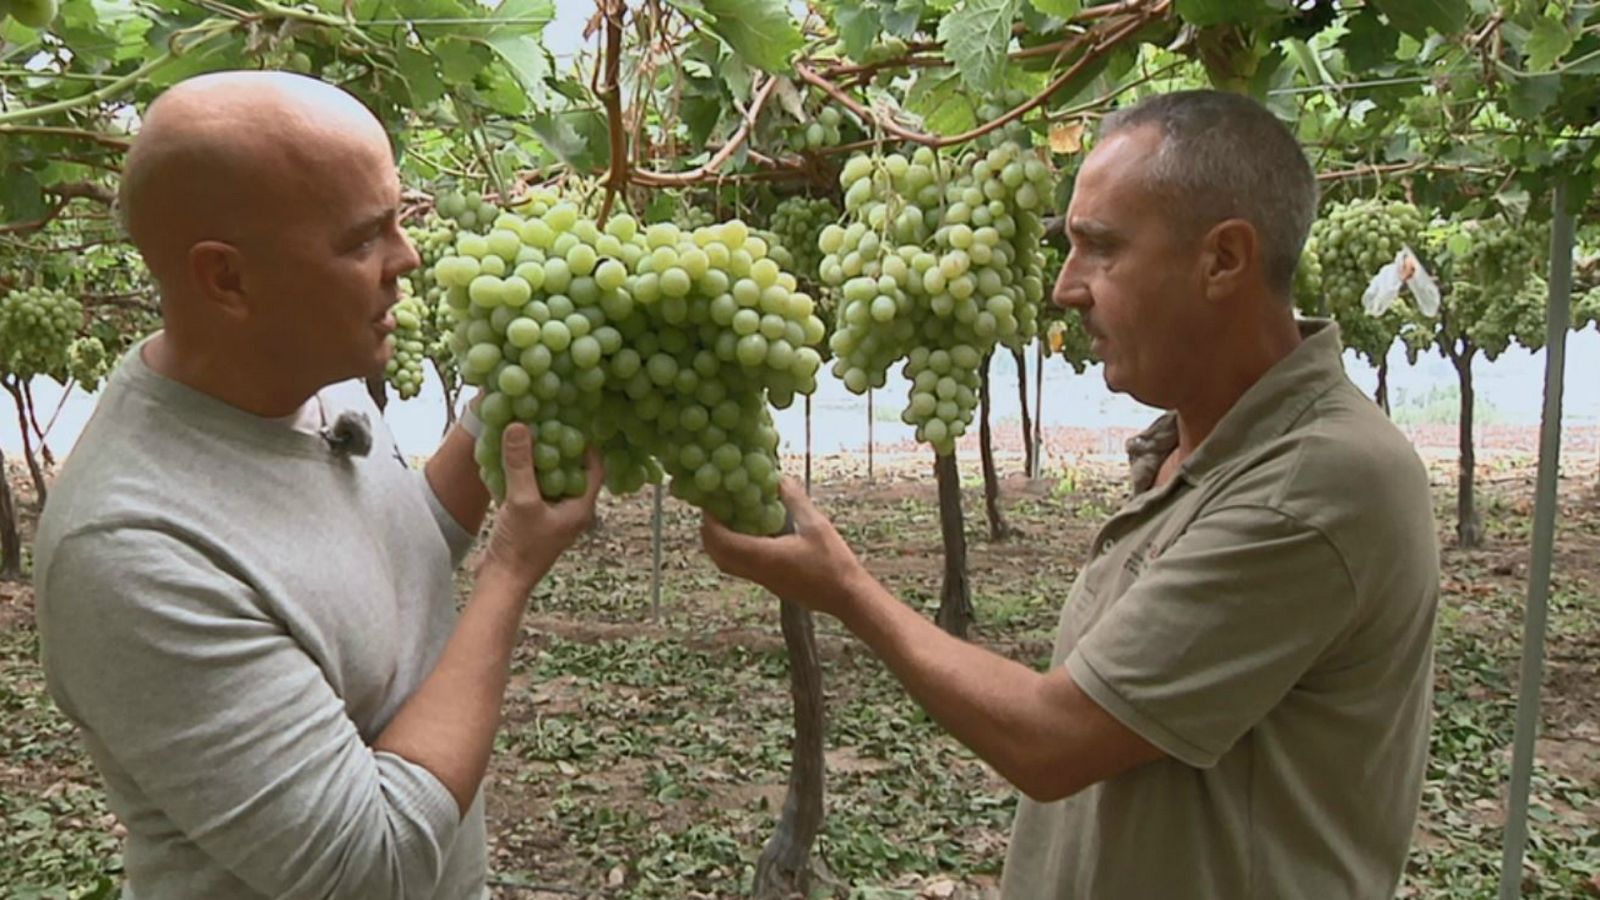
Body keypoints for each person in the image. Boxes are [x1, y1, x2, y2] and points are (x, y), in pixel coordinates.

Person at [702, 89, 1439, 899]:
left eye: (1100, 249)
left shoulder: (1316, 483)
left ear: (1223, 259)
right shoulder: (1203, 451)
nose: (1063, 287)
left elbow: (1054, 740)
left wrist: (843, 586)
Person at [32, 71, 600, 899]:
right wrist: (511, 571)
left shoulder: (307, 380)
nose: (407, 258)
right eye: (364, 239)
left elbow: (393, 552)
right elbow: (370, 865)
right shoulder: (129, 552)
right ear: (226, 279)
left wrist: (497, 413)